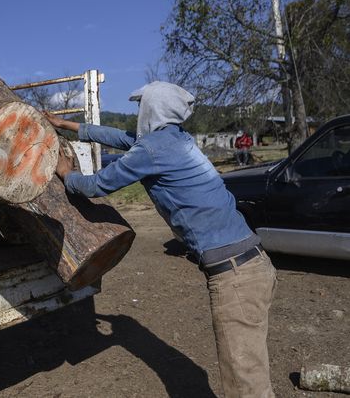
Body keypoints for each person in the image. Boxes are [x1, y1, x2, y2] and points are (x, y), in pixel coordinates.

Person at [45, 81, 277, 398]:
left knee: (245, 386)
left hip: (236, 277)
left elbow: (97, 185)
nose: (139, 113)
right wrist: (65, 125)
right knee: (251, 371)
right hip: (253, 265)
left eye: (142, 107)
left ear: (152, 110)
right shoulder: (174, 140)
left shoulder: (152, 151)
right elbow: (117, 136)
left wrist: (66, 173)